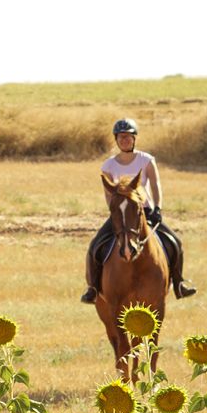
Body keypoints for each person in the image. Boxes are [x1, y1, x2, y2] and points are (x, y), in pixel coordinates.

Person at [80, 119, 196, 303]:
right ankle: (93, 288)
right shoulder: (108, 166)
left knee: (175, 243)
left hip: (145, 211)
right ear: (116, 140)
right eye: (121, 137)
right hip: (120, 214)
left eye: (128, 136)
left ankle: (179, 283)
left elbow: (155, 185)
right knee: (95, 246)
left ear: (134, 139)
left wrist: (157, 207)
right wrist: (116, 213)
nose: (125, 140)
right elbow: (109, 195)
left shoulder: (146, 160)